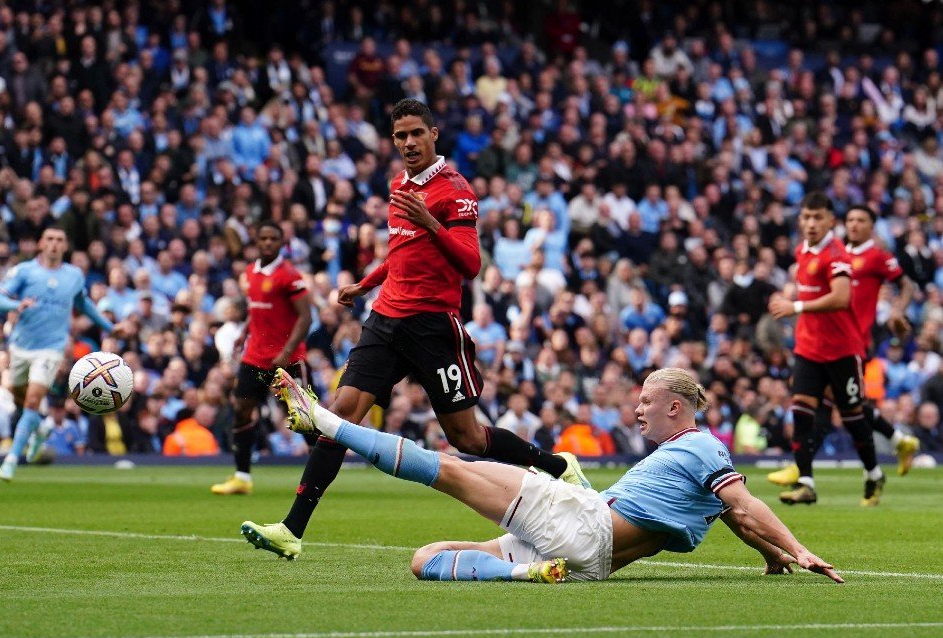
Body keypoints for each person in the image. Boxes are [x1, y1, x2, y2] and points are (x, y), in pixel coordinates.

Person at [255, 99, 590, 560]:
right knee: (340, 415)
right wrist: (365, 284)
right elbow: (399, 254)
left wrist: (431, 222)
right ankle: (292, 530)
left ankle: (556, 464)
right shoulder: (399, 185)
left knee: (466, 439)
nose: (408, 143)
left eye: (416, 133)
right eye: (400, 136)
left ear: (434, 134)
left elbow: (471, 264)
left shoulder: (456, 190)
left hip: (434, 327)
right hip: (387, 318)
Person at [242, 367, 844, 585]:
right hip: (585, 559)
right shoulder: (700, 462)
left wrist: (798, 546)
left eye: (646, 401)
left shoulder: (702, 447)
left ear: (677, 408)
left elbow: (745, 504)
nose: (637, 410)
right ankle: (525, 573)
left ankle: (321, 417)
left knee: (450, 468)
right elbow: (732, 514)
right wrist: (771, 560)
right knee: (424, 559)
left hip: (585, 525)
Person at [767, 204, 920, 490]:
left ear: (871, 226)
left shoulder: (876, 256)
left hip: (853, 340)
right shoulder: (833, 251)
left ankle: (805, 468)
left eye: (861, 220)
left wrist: (898, 311)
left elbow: (906, 285)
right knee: (836, 404)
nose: (854, 225)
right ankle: (894, 446)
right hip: (823, 341)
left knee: (837, 406)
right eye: (850, 219)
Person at [767, 193, 881, 506]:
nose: (811, 223)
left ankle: (873, 473)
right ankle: (806, 482)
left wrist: (795, 305)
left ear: (831, 221)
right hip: (808, 347)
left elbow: (842, 297)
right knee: (801, 409)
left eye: (817, 217)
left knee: (852, 416)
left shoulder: (838, 254)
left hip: (842, 348)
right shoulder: (802, 250)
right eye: (806, 217)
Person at [0, 226, 129, 480]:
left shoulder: (73, 275)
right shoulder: (24, 271)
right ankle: (41, 428)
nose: (54, 244)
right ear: (41, 243)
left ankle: (12, 459)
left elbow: (83, 303)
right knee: (21, 402)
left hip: (51, 348)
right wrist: (16, 304)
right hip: (20, 347)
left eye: (60, 240)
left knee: (33, 400)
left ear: (65, 246)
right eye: (50, 239)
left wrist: (109, 328)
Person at [210, 222, 313, 495]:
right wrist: (244, 333)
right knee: (242, 410)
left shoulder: (289, 275)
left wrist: (287, 352)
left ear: (281, 243)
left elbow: (306, 317)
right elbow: (257, 312)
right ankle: (242, 477)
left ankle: (320, 474)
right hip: (255, 357)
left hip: (287, 359)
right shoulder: (250, 272)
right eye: (263, 238)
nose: (268, 243)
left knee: (305, 418)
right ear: (256, 241)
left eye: (273, 239)